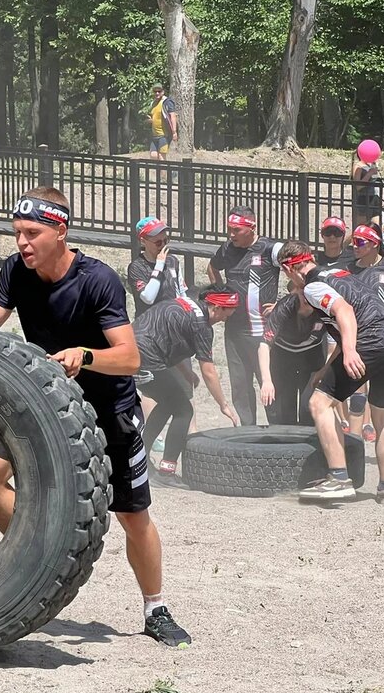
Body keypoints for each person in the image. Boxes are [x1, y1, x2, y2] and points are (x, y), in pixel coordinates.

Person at [0, 187, 191, 647]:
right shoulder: (15, 271)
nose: (22, 243)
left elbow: (129, 358)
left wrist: (85, 356)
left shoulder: (98, 279)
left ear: (60, 231)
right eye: (17, 234)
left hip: (109, 409)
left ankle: (156, 608)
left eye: (32, 234)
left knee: (133, 517)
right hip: (47, 403)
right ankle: (40, 556)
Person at [274, 244, 384, 502]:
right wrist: (326, 367)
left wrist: (350, 350)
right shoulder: (341, 274)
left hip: (369, 342)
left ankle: (338, 478)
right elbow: (346, 321)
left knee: (318, 403)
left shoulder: (313, 287)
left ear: (289, 268)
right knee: (382, 415)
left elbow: (344, 312)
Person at [136, 286, 242, 487]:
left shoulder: (189, 304)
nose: (227, 318)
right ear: (217, 308)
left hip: (135, 349)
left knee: (169, 404)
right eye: (228, 313)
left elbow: (170, 337)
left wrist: (186, 373)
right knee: (184, 410)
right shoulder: (202, 325)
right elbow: (209, 371)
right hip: (146, 356)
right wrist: (224, 405)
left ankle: (139, 461)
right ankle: (166, 472)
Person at [207, 206, 284, 425]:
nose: (231, 235)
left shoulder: (271, 248)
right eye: (229, 229)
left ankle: (277, 433)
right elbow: (212, 268)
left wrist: (284, 301)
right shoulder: (227, 248)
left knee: (269, 384)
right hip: (235, 331)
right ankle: (246, 431)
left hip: (264, 331)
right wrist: (221, 295)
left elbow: (302, 268)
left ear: (251, 228)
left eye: (236, 230)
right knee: (240, 386)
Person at [346, 223, 384, 442]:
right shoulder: (350, 269)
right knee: (357, 398)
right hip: (360, 340)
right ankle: (354, 452)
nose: (355, 246)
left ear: (374, 245)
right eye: (353, 241)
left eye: (360, 242)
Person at [259, 277, 328, 426]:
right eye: (304, 294)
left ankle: (310, 445)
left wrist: (325, 371)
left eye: (312, 295)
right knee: (284, 408)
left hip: (312, 356)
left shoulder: (327, 309)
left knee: (308, 406)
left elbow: (344, 340)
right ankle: (286, 446)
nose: (307, 299)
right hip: (284, 356)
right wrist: (266, 381)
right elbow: (264, 345)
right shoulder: (284, 307)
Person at [127, 216, 185, 317]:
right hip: (148, 326)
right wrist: (159, 266)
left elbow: (181, 292)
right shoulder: (136, 267)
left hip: (171, 323)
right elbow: (148, 298)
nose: (163, 245)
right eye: (158, 243)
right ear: (143, 241)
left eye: (165, 241)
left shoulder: (172, 261)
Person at [351, 140, 383, 229]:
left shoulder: (370, 164)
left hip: (374, 198)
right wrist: (369, 174)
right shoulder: (358, 166)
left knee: (376, 228)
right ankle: (344, 243)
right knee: (360, 228)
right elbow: (358, 185)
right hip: (363, 199)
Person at [145, 85, 177, 160]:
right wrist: (148, 121)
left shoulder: (167, 102)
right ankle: (168, 171)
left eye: (159, 91)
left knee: (161, 157)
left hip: (164, 135)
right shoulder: (153, 103)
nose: (157, 93)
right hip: (154, 135)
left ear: (163, 92)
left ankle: (166, 171)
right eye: (155, 91)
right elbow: (151, 116)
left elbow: (172, 116)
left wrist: (174, 132)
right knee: (153, 156)